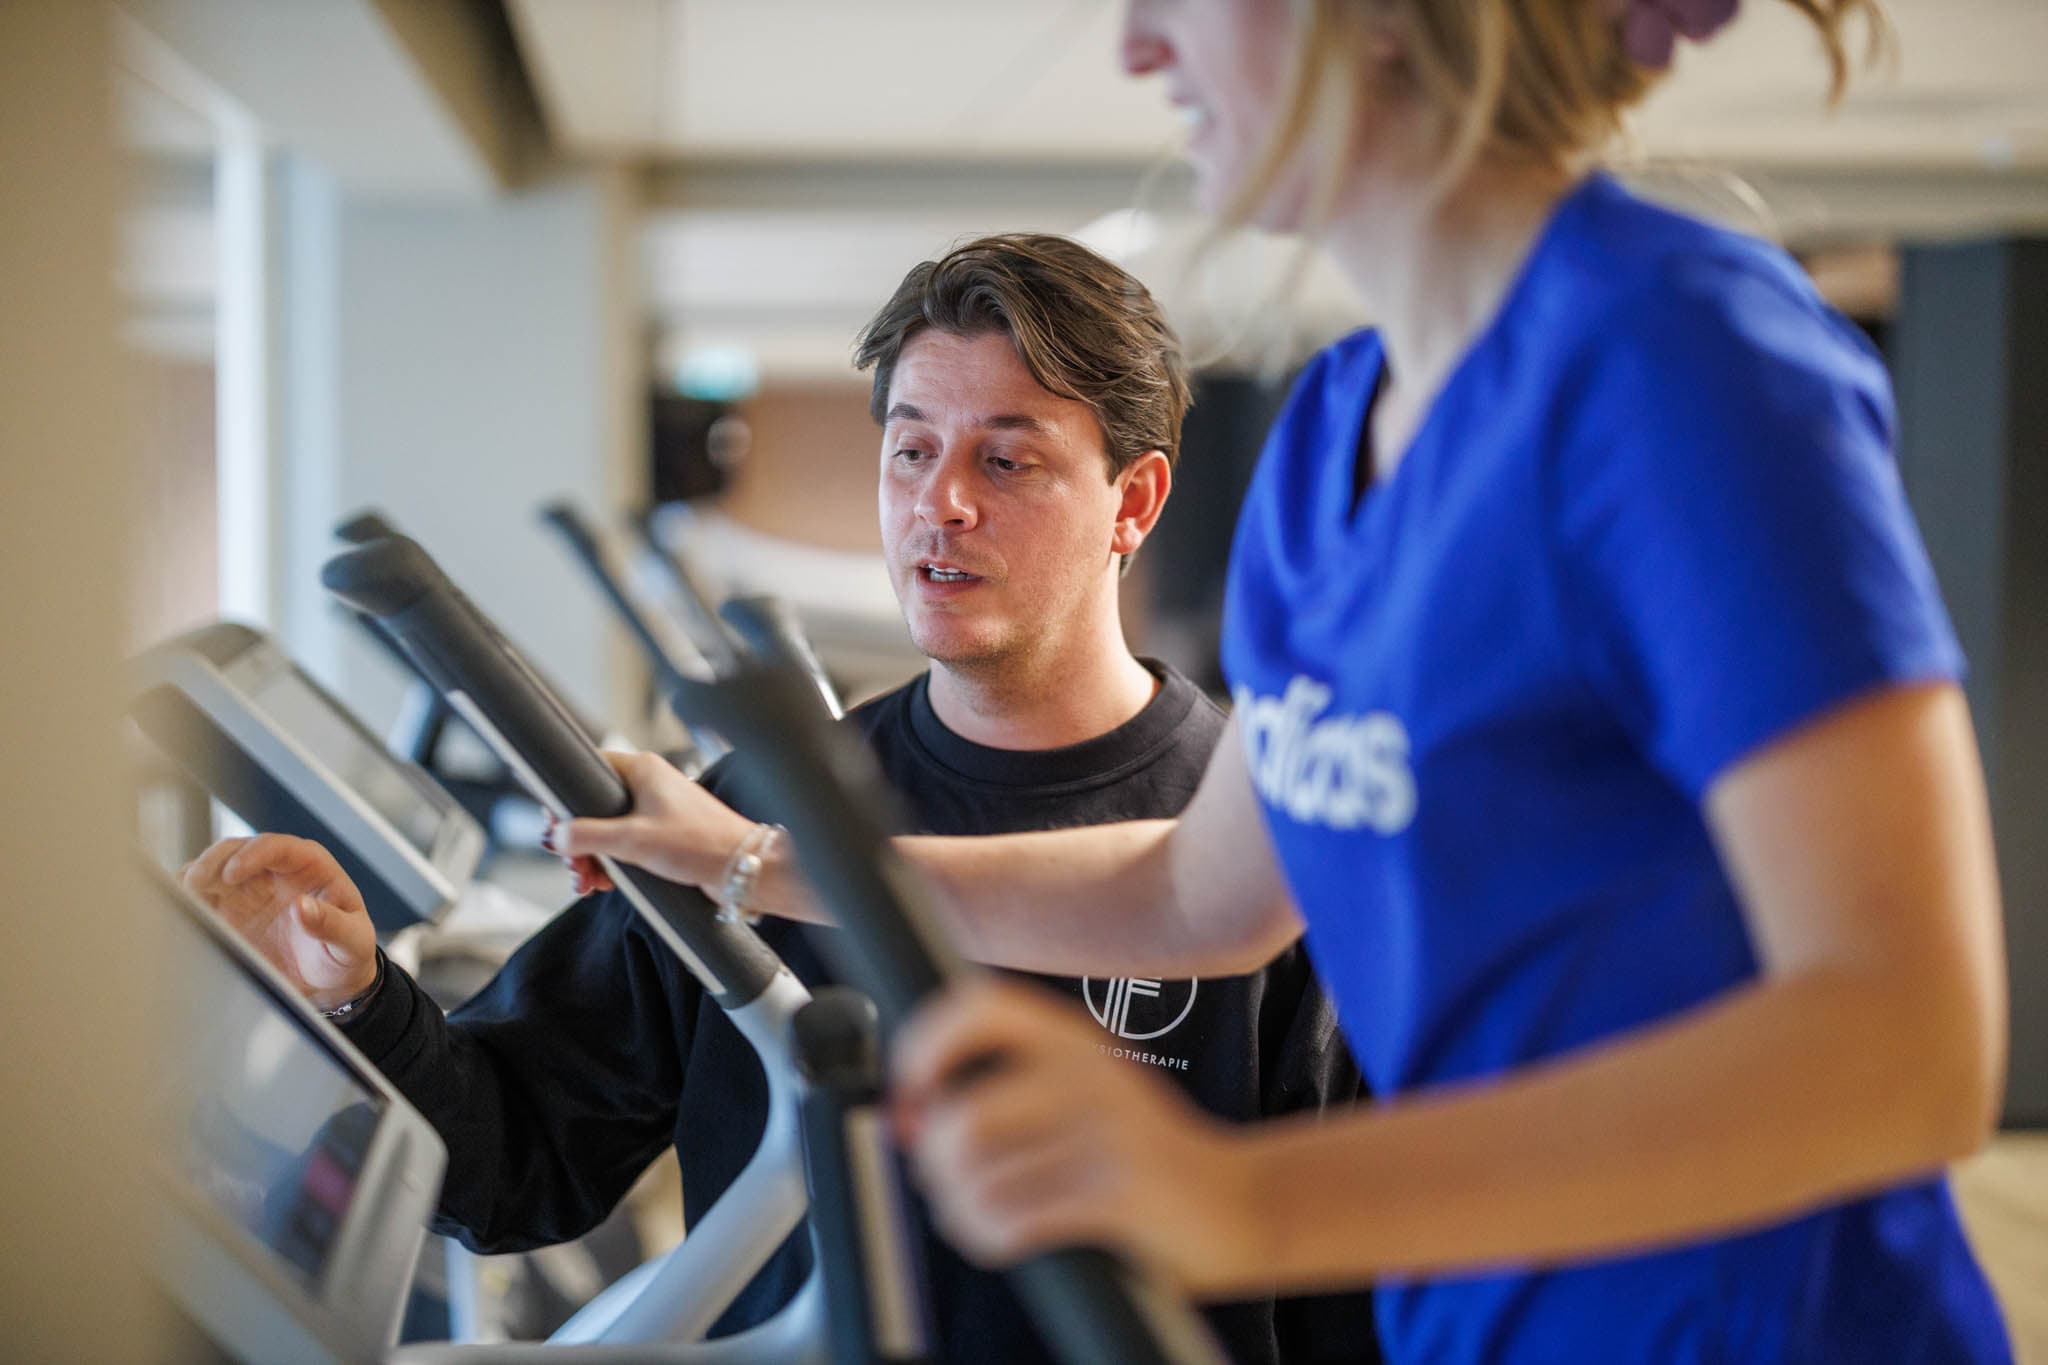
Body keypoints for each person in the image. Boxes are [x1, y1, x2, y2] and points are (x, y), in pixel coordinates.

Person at [554, 2, 2016, 1361]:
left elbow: (1908, 1047)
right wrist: (745, 860)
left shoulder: (1677, 358)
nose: (1138, 44)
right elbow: (1203, 893)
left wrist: (1241, 1200)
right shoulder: (1335, 430)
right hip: (1486, 1311)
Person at [183, 233, 1380, 1363]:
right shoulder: (756, 802)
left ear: (1133, 502)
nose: (940, 502)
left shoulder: (1255, 828)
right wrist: (351, 991)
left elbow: (1350, 1282)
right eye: (911, 450)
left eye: (1005, 460)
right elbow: (512, 1161)